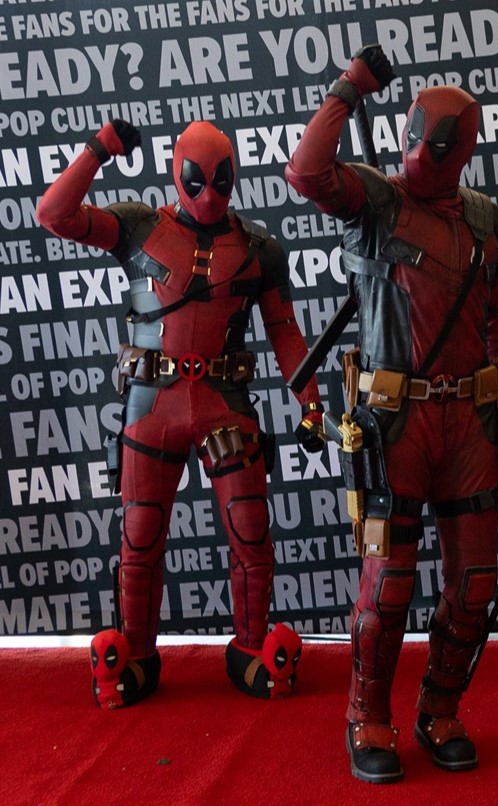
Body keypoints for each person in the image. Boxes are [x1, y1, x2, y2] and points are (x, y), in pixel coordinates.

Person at [36, 119, 326, 707]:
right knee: (139, 536)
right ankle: (135, 653)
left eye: (222, 181)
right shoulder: (139, 227)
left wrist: (312, 405)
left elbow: (285, 333)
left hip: (224, 407)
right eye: (197, 181)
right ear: (176, 173)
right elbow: (54, 214)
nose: (210, 195)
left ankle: (250, 649)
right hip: (153, 406)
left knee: (251, 533)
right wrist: (98, 149)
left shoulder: (259, 248)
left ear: (236, 176)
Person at [285, 46, 498, 783]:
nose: (427, 154)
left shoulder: (488, 222)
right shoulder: (376, 203)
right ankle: (367, 714)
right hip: (396, 423)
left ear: (467, 149)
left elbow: (497, 317)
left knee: (474, 581)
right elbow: (305, 173)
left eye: (441, 143)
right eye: (419, 137)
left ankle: (440, 709)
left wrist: (495, 394)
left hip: (467, 423)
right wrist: (349, 86)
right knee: (387, 586)